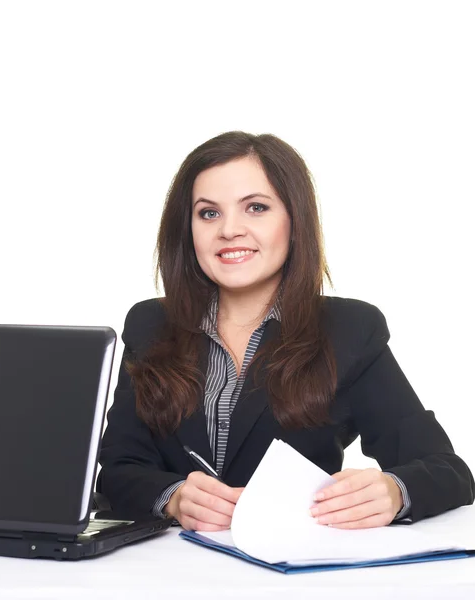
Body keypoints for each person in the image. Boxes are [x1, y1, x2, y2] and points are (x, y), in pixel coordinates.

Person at [97, 131, 474, 532]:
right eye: (209, 213)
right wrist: (172, 498)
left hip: (291, 572)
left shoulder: (350, 330)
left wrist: (394, 491)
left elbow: (448, 471)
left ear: (294, 221)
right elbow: (118, 471)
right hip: (167, 574)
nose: (229, 230)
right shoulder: (149, 324)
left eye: (256, 208)